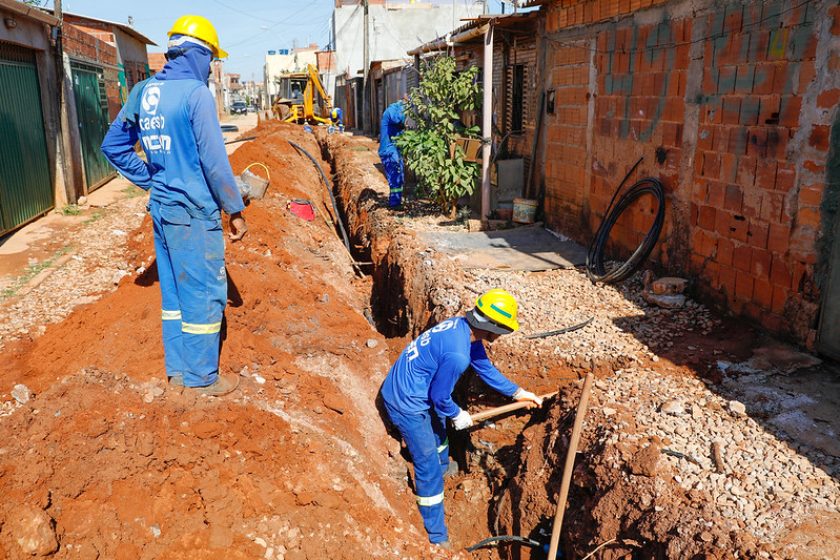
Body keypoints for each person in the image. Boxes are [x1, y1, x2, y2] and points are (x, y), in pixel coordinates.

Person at [101, 15, 246, 396]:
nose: (213, 68)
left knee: (175, 296)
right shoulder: (196, 95)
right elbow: (215, 162)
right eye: (212, 58)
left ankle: (178, 372)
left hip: (163, 209)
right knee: (202, 292)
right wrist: (235, 208)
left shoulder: (144, 90)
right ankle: (201, 380)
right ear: (199, 55)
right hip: (194, 213)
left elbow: (113, 145)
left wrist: (152, 178)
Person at [379, 289, 544, 548]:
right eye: (503, 330)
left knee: (439, 433)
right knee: (427, 467)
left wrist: (518, 392)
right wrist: (458, 414)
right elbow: (439, 397)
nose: (502, 336)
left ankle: (445, 469)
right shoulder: (457, 355)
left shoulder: (460, 327)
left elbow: (484, 368)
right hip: (406, 403)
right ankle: (436, 535)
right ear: (491, 326)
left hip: (410, 386)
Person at [378, 99, 406, 207]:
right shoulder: (391, 110)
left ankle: (397, 201)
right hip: (388, 150)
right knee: (395, 177)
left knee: (399, 176)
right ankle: (395, 204)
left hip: (394, 150)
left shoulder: (396, 110)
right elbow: (397, 118)